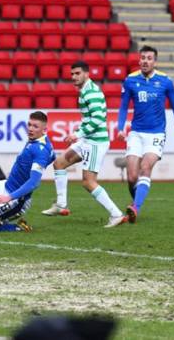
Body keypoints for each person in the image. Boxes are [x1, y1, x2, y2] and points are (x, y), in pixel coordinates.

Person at [42, 61, 127, 228]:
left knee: (88, 182)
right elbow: (89, 118)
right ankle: (61, 205)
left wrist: (77, 134)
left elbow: (97, 119)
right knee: (59, 163)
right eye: (72, 74)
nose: (74, 77)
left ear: (87, 74)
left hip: (96, 143)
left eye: (77, 73)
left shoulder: (91, 93)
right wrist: (80, 133)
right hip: (86, 141)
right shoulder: (84, 91)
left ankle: (116, 214)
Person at [117, 45, 174, 223]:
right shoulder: (130, 80)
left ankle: (135, 207)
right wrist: (120, 127)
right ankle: (135, 202)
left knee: (145, 168)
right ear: (139, 60)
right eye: (142, 58)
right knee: (132, 177)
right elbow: (123, 106)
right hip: (136, 133)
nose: (145, 61)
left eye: (149, 58)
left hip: (156, 134)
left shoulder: (165, 81)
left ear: (155, 62)